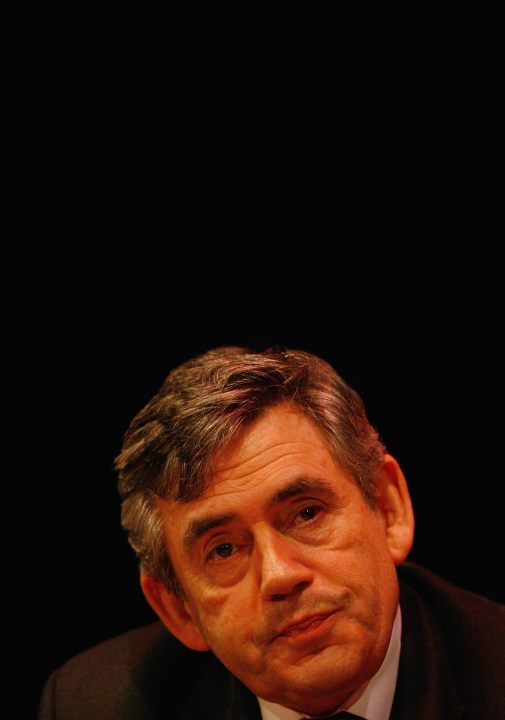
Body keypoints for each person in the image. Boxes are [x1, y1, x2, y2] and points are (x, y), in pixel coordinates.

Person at [38, 345, 505, 720]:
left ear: (387, 510)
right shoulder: (93, 705)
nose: (280, 575)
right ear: (178, 609)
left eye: (307, 514)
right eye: (224, 549)